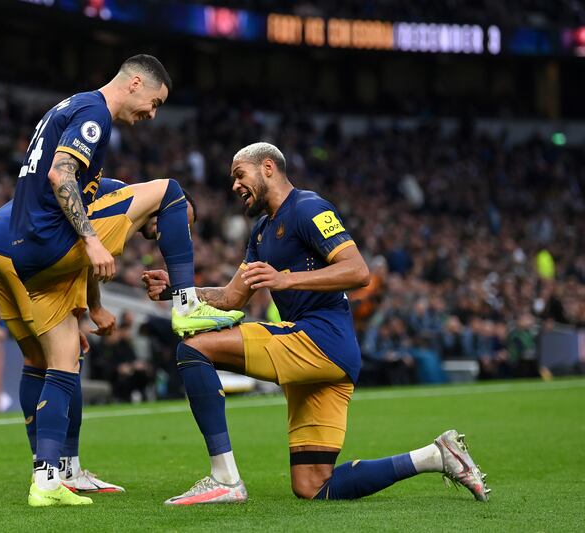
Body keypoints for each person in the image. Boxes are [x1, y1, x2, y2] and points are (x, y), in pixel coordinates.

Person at [142, 142, 490, 505]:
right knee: (312, 485)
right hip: (326, 359)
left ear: (268, 168)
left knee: (194, 347)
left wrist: (285, 280)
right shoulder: (262, 231)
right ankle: (436, 455)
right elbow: (232, 298)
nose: (234, 186)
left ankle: (225, 479)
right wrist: (178, 290)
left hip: (321, 339)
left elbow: (358, 271)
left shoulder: (309, 208)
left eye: (239, 175)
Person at [7, 54, 242, 507]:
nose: (152, 114)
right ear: (135, 83)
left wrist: (92, 301)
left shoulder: (66, 107)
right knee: (171, 190)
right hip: (52, 240)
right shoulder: (95, 112)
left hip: (27, 257)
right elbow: (60, 174)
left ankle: (47, 481)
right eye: (154, 102)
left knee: (62, 364)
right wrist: (92, 241)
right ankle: (188, 301)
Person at [0, 174, 200, 502]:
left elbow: (79, 249)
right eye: (181, 222)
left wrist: (92, 309)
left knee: (37, 359)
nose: (176, 231)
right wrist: (91, 309)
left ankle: (50, 466)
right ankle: (58, 471)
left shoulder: (111, 194)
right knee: (65, 358)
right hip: (22, 248)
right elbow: (86, 244)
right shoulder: (126, 201)